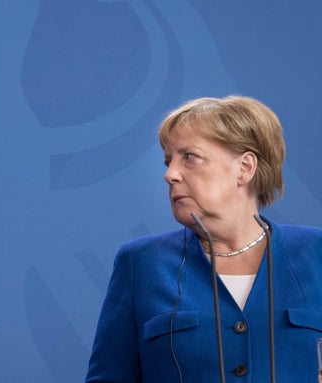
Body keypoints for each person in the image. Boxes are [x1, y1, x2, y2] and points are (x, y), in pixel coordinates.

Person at [85, 95, 322, 382]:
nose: (170, 175)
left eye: (189, 157)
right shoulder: (141, 263)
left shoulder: (316, 253)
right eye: (168, 161)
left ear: (245, 168)